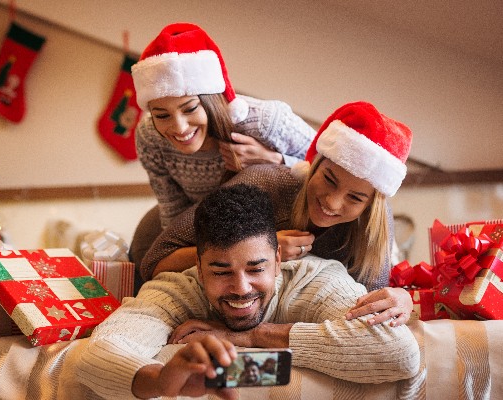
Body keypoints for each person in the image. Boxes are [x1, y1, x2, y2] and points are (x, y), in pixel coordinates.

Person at [79, 184, 420, 400]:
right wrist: (161, 379)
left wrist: (246, 336)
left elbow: (399, 352)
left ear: (277, 260)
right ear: (198, 269)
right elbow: (98, 352)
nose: (241, 289)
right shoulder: (178, 287)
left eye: (256, 269)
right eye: (220, 271)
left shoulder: (317, 278)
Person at [139, 101, 414, 326]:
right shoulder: (264, 183)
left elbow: (368, 308)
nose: (332, 202)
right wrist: (263, 249)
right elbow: (154, 261)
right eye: (329, 179)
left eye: (355, 198)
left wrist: (402, 298)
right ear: (314, 165)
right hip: (150, 235)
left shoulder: (373, 229)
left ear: (369, 207)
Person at [128, 22, 316, 275]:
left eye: (190, 108)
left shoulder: (265, 121)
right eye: (162, 115)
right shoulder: (150, 136)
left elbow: (326, 169)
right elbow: (172, 212)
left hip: (273, 224)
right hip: (199, 226)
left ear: (211, 100)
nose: (179, 127)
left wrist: (276, 160)